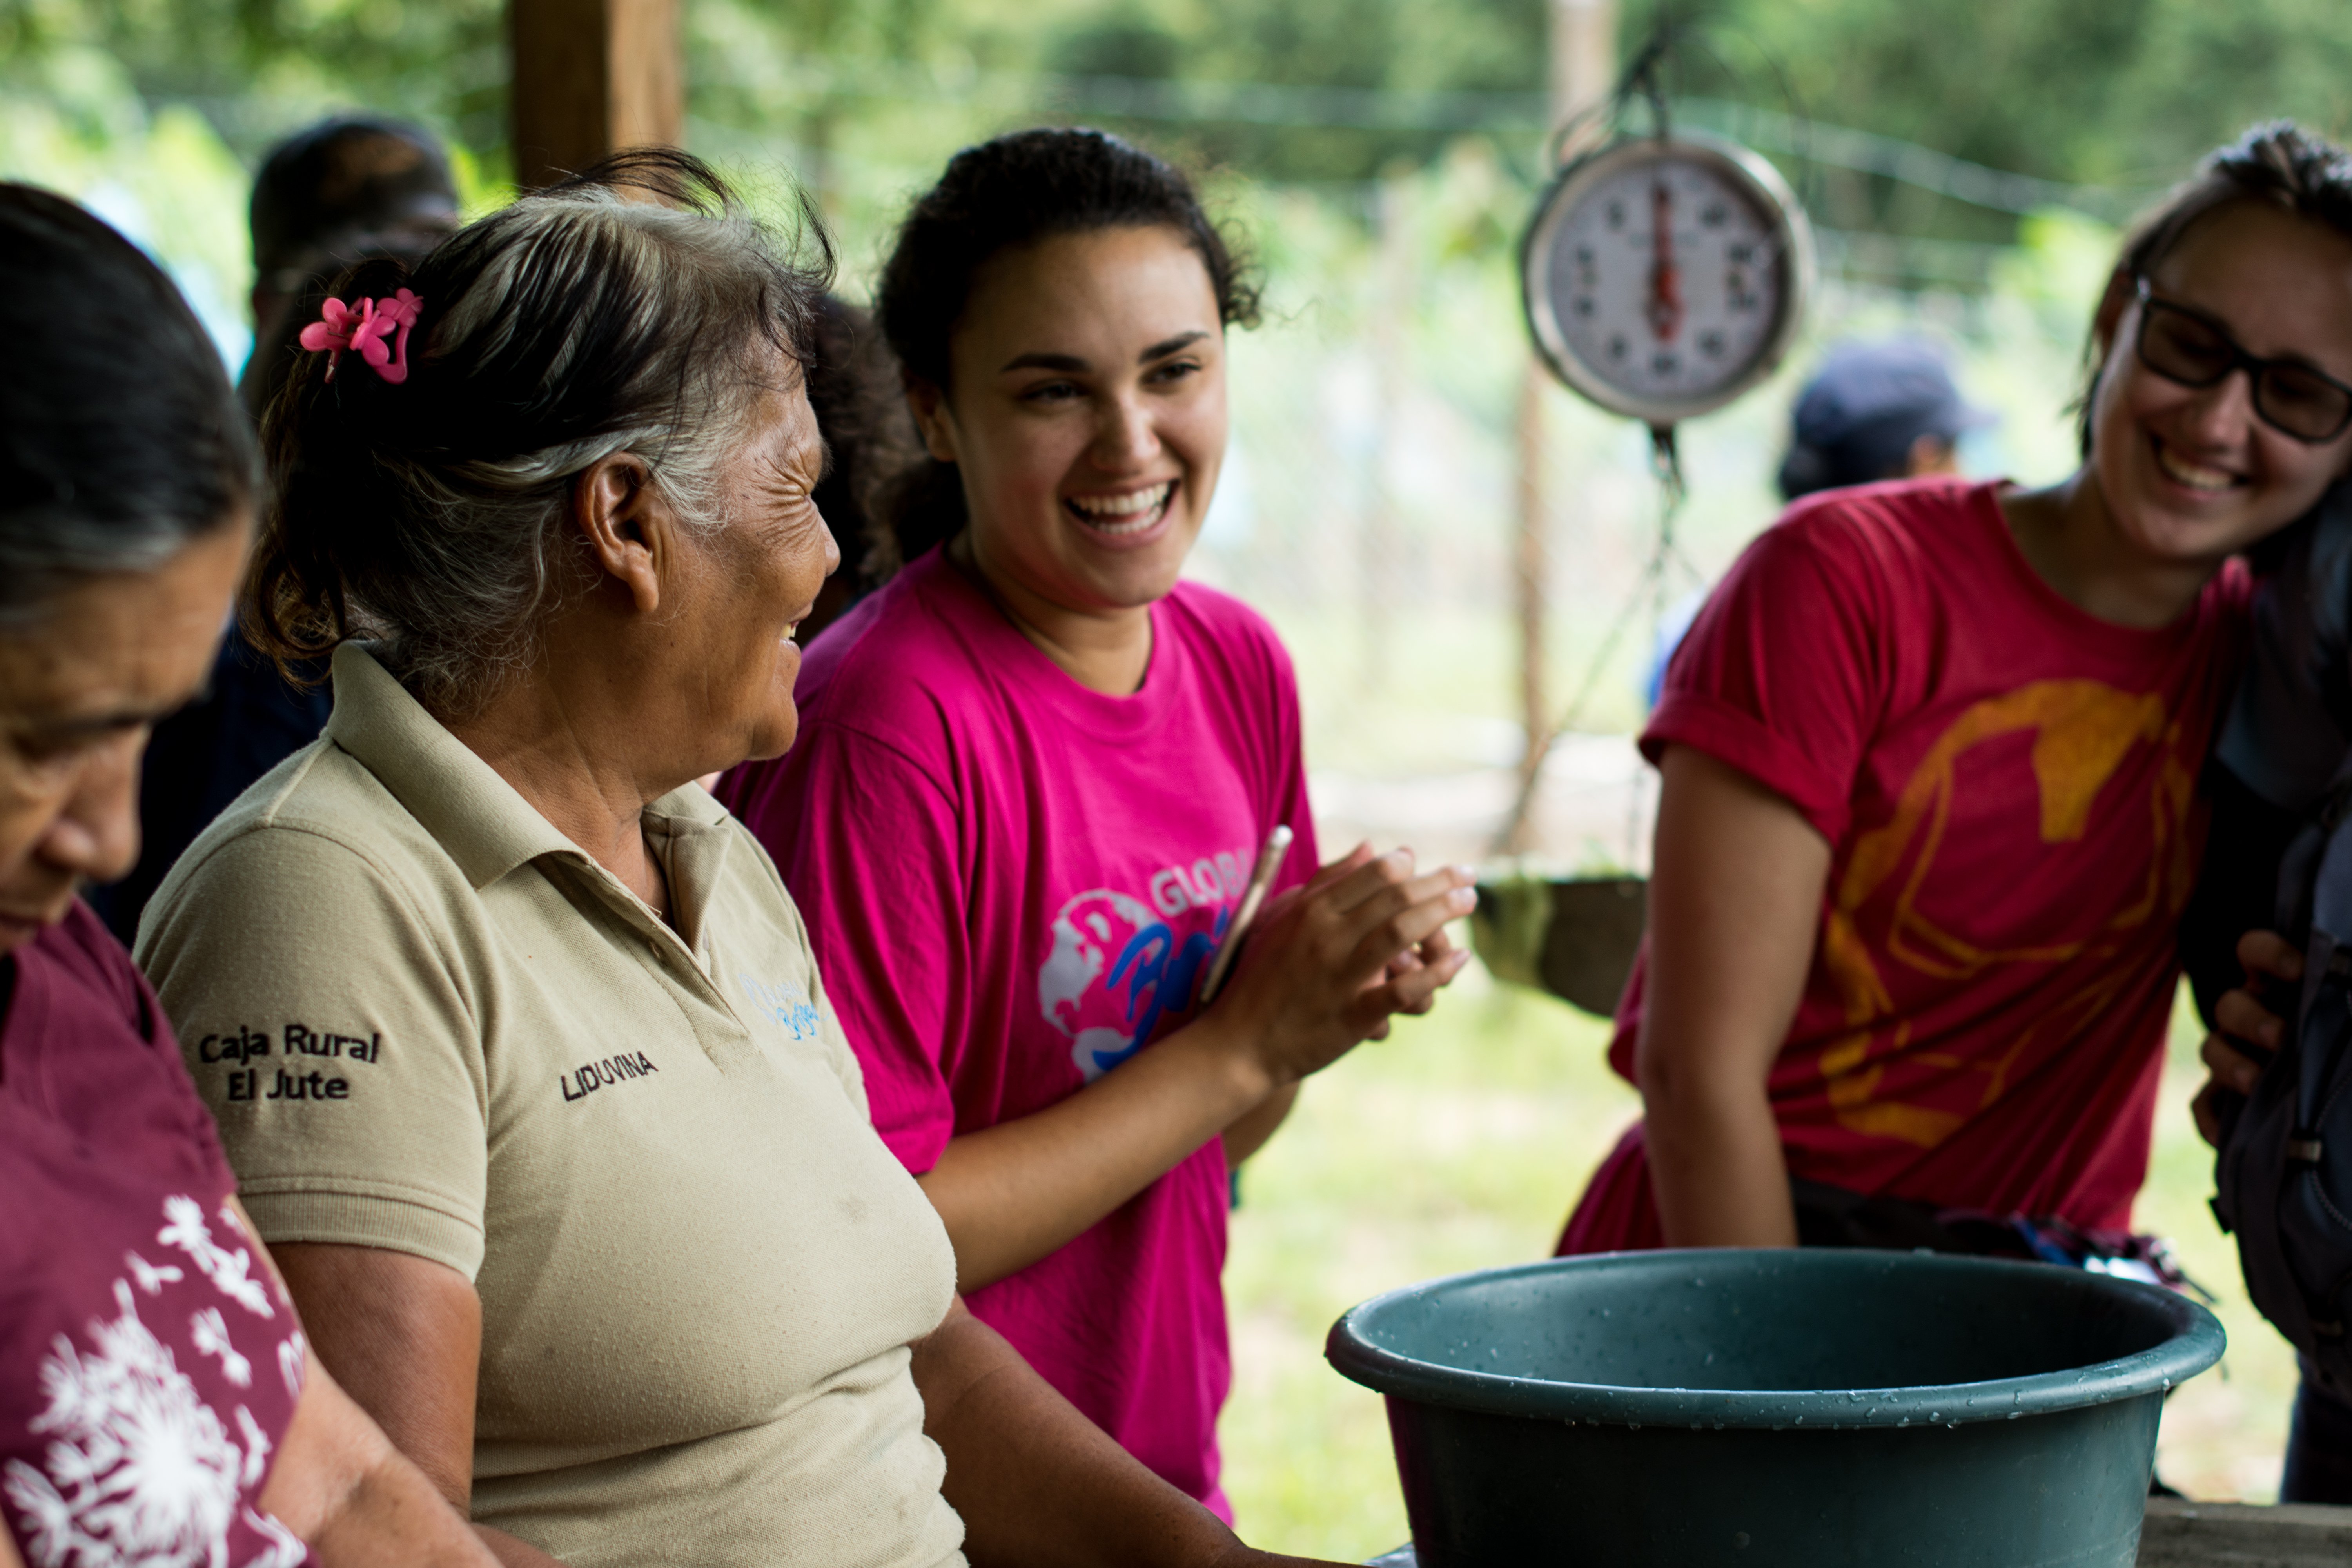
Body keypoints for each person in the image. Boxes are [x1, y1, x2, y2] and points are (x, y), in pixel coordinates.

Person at [134, 149, 1365, 1568]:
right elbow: (378, 1532)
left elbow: (914, 1349)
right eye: (797, 493)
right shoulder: (324, 898)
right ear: (628, 526)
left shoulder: (705, 844)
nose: (834, 558)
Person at [715, 126, 1476, 1515]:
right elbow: (862, 1239)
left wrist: (1320, 1006)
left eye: (1175, 370)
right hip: (933, 1506)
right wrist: (1244, 1037)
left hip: (1154, 1473)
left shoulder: (1239, 665)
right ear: (938, 412)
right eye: (1054, 391)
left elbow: (1209, 1140)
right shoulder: (885, 729)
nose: (1133, 443)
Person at [1557, 122, 2352, 1260]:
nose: (2220, 421)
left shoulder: (2273, 671)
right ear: (2115, 315)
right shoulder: (1844, 580)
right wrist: (1795, 1418)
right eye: (2189, 345)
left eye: (2299, 396)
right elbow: (1697, 1078)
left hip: (2025, 1333)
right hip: (1728, 1285)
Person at [0, 185, 499, 1568]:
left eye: (143, 731)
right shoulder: (303, 878)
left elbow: (325, 1462)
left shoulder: (61, 967)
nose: (107, 841)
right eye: (47, 740)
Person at [88, 116, 464, 949]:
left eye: (442, 242)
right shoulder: (209, 538)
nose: (407, 294)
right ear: (285, 303)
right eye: (363, 274)